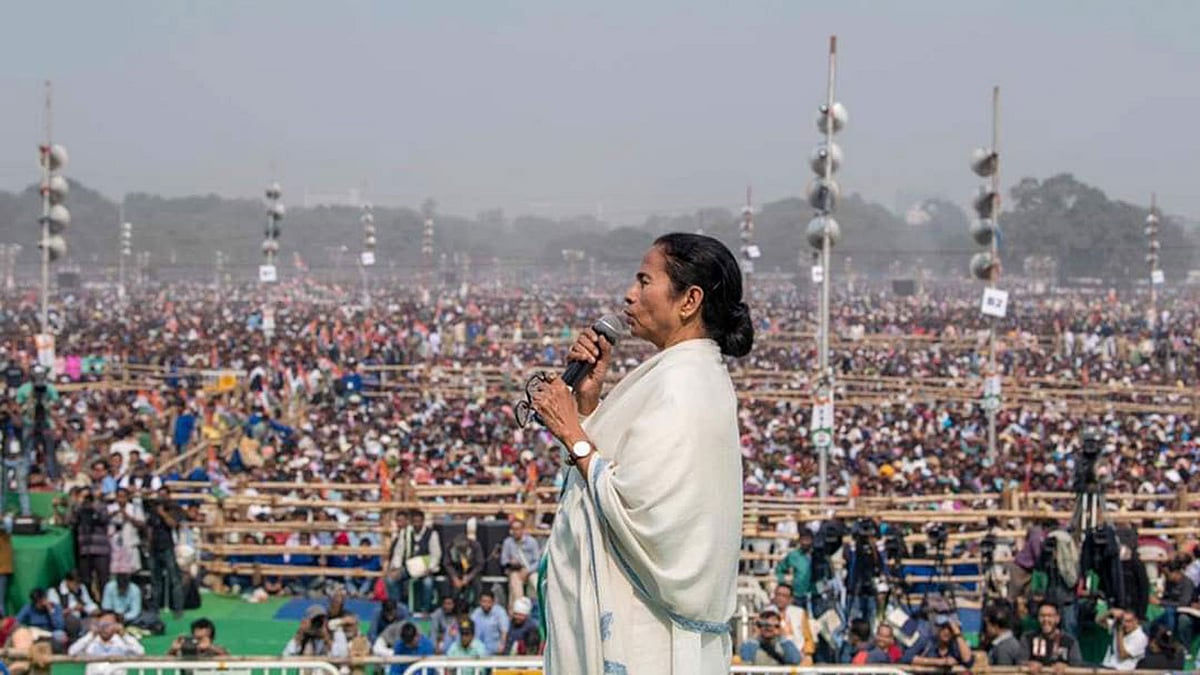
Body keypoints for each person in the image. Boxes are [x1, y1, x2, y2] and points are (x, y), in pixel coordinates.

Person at [535, 233, 753, 674]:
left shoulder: (684, 384)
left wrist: (570, 430)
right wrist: (589, 402)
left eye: (643, 281)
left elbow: (648, 517)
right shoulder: (677, 372)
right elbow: (628, 470)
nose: (629, 295)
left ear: (689, 300)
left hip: (650, 639)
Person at [66, 610, 144, 675]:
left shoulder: (122, 642)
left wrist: (124, 635)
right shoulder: (90, 642)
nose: (105, 627)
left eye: (108, 624)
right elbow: (72, 652)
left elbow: (140, 652)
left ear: (117, 625)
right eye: (102, 624)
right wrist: (90, 635)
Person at [1020, 601, 1083, 673]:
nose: (1046, 620)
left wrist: (1066, 667)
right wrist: (1028, 664)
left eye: (1050, 616)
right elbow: (1019, 661)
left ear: (1057, 619)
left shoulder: (1070, 641)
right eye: (1042, 616)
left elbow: (1078, 666)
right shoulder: (1028, 638)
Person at [499, 518, 540, 610]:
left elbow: (538, 561)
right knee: (516, 586)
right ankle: (519, 610)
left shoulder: (532, 542)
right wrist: (511, 562)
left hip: (530, 570)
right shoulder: (508, 542)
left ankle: (537, 609)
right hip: (515, 571)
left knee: (536, 582)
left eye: (518, 529)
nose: (516, 531)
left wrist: (527, 571)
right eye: (513, 529)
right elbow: (503, 561)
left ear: (523, 529)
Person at [767, 585, 814, 664]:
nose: (780, 598)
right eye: (778, 594)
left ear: (790, 599)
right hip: (776, 654)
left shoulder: (799, 612)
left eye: (784, 596)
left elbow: (808, 638)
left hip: (799, 653)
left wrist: (808, 654)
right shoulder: (767, 612)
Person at [48, 571, 100, 638]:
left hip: (82, 619)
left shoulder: (81, 587)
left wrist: (94, 610)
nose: (77, 586)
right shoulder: (54, 591)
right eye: (75, 584)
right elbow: (55, 614)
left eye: (78, 584)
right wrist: (72, 609)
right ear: (67, 581)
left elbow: (88, 603)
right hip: (65, 624)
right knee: (72, 621)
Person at [283, 605, 349, 657]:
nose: (318, 624)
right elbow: (286, 655)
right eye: (315, 621)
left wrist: (327, 639)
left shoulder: (336, 632)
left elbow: (342, 655)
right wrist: (299, 635)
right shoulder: (304, 637)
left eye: (321, 620)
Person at [774, 529, 814, 610]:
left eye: (808, 540)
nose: (805, 543)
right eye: (803, 540)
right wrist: (784, 582)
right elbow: (779, 570)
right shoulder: (793, 555)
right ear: (799, 541)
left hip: (814, 596)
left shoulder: (817, 556)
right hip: (797, 595)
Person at [468, 590, 509, 656]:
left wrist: (502, 645)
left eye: (489, 602)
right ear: (480, 601)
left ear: (493, 602)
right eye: (483, 601)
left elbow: (504, 631)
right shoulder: (476, 613)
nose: (486, 604)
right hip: (477, 651)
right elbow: (470, 629)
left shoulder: (500, 612)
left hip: (495, 651)